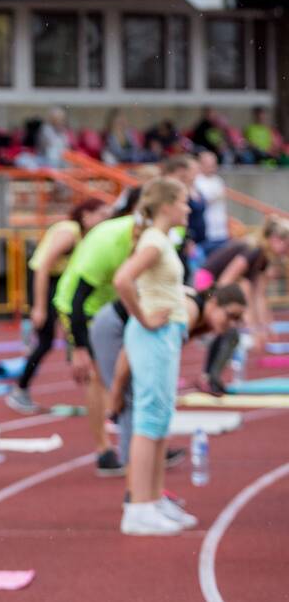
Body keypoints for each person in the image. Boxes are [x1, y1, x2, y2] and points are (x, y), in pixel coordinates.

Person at [92, 284, 244, 488]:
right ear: (214, 303)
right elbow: (130, 348)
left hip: (126, 330)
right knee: (130, 402)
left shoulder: (198, 316)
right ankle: (134, 493)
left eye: (237, 319)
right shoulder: (188, 311)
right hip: (112, 328)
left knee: (145, 401)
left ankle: (148, 490)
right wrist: (116, 391)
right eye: (230, 315)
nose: (232, 324)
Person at [111, 177, 191, 536]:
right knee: (149, 419)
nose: (188, 209)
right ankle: (139, 508)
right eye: (184, 202)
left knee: (158, 419)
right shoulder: (155, 241)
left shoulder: (160, 240)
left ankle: (153, 500)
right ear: (166, 206)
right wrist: (143, 316)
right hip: (153, 334)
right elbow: (123, 279)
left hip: (165, 333)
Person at [52, 214, 146, 476]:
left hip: (114, 308)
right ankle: (103, 449)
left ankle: (141, 440)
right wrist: (79, 347)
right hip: (81, 309)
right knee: (95, 378)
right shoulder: (107, 243)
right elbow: (76, 300)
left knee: (131, 371)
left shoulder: (155, 239)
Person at [7, 198, 112, 414]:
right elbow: (43, 267)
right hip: (42, 280)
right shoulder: (69, 232)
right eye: (102, 215)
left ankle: (96, 386)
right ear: (86, 215)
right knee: (44, 342)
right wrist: (39, 307)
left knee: (73, 329)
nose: (106, 220)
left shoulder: (87, 236)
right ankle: (20, 389)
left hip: (59, 282)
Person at [194, 218, 289, 394]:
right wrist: (216, 306)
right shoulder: (252, 250)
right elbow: (226, 279)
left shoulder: (263, 259)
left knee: (231, 333)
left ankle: (210, 377)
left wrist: (265, 327)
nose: (287, 252)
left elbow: (259, 296)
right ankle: (207, 377)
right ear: (276, 239)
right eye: (287, 245)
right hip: (207, 284)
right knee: (228, 329)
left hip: (217, 285)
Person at [194, 151, 230, 257]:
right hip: (207, 232)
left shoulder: (218, 180)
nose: (212, 167)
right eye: (208, 164)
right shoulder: (197, 181)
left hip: (221, 231)